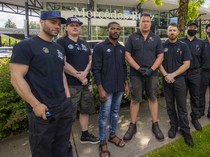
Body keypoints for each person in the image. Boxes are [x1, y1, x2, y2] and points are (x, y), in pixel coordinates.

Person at [9, 11, 74, 156]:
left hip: (63, 106)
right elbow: (16, 78)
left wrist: (68, 98)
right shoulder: (25, 46)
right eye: (53, 22)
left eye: (59, 24)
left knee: (62, 147)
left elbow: (61, 73)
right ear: (42, 22)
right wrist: (36, 104)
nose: (57, 26)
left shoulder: (58, 48)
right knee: (42, 151)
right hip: (43, 110)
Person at [56, 17, 99, 146]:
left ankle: (85, 135)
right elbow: (62, 63)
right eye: (72, 25)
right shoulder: (61, 42)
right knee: (69, 114)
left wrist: (85, 73)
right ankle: (65, 141)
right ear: (67, 28)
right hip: (70, 85)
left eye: (77, 25)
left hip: (85, 83)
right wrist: (78, 75)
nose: (75, 27)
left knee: (85, 110)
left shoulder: (84, 43)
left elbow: (91, 60)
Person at [123, 12, 164, 141]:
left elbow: (161, 56)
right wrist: (138, 68)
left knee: (153, 98)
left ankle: (155, 124)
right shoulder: (132, 37)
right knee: (135, 99)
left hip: (152, 74)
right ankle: (133, 125)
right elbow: (127, 55)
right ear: (139, 23)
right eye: (143, 21)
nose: (145, 23)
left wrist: (151, 69)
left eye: (147, 21)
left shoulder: (156, 38)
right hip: (136, 74)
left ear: (150, 23)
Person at [92, 22, 129, 157]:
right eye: (113, 28)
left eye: (118, 29)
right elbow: (95, 69)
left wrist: (126, 83)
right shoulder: (100, 47)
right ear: (108, 30)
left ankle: (112, 135)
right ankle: (102, 142)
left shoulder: (121, 48)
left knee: (115, 114)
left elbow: (124, 67)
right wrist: (100, 89)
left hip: (119, 87)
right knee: (103, 116)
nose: (116, 31)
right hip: (106, 89)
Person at [159, 23, 194, 146]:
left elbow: (187, 64)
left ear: (178, 32)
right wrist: (165, 75)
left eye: (174, 30)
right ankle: (174, 126)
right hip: (166, 80)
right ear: (167, 32)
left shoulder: (183, 46)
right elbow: (159, 63)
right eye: (170, 30)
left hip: (179, 80)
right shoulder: (162, 46)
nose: (172, 32)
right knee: (169, 105)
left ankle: (185, 131)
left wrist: (172, 75)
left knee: (182, 106)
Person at [180, 20, 204, 131]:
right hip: (182, 74)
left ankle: (195, 117)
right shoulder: (180, 42)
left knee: (195, 96)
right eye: (191, 27)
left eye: (195, 27)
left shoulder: (200, 43)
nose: (193, 29)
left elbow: (203, 58)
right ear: (186, 27)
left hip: (195, 73)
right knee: (181, 98)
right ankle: (182, 120)